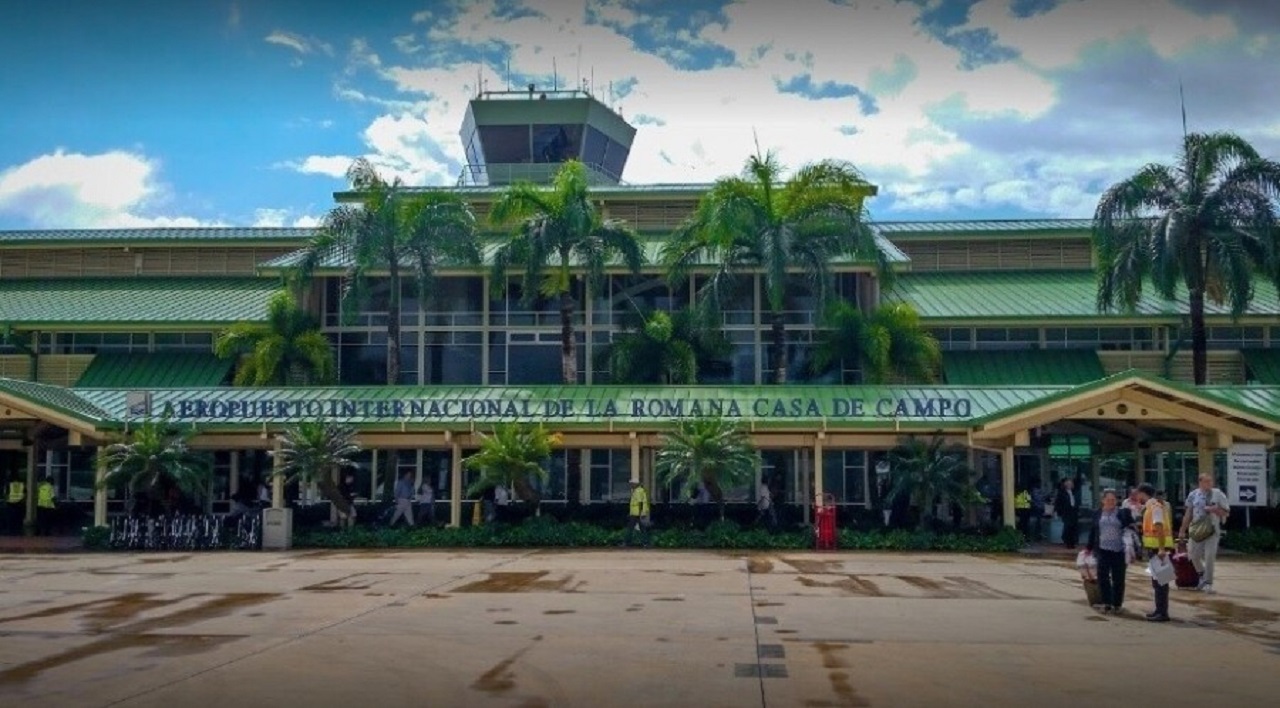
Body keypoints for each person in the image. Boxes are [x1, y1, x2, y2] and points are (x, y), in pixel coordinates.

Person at [1085, 489, 1136, 614]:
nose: (1111, 502)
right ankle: (1107, 603)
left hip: (1119, 550)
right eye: (1108, 500)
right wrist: (1088, 548)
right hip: (1102, 550)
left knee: (1118, 578)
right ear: (1103, 501)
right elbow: (1093, 532)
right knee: (1103, 578)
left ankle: (1117, 604)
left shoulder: (1123, 513)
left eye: (1113, 500)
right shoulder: (1097, 514)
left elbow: (1133, 529)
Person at [1178, 473, 1230, 594]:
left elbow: (1226, 513)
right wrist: (1182, 530)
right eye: (1206, 481)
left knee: (1209, 556)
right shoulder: (1193, 495)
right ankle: (1201, 575)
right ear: (1200, 482)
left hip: (1212, 529)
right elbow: (1188, 514)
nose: (1209, 484)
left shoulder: (1218, 494)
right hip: (1196, 529)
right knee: (1193, 555)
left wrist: (1214, 509)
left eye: (1210, 481)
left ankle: (1208, 582)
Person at [1138, 483, 1174, 622]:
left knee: (1160, 582)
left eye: (1138, 494)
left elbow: (1158, 527)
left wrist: (1161, 548)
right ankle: (1159, 610)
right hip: (1156, 549)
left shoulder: (1155, 507)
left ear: (1143, 493)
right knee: (1157, 581)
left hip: (1159, 550)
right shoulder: (1153, 506)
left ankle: (1162, 613)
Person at [623, 480, 650, 547]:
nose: (631, 485)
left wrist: (640, 513)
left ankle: (627, 542)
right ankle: (645, 543)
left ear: (636, 484)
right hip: (636, 513)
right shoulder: (639, 490)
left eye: (632, 484)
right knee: (641, 528)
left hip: (636, 513)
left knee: (630, 527)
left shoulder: (638, 491)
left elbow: (640, 502)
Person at [1056, 478, 1079, 549]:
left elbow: (1076, 501)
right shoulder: (1061, 493)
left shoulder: (1074, 492)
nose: (1070, 485)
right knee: (1068, 527)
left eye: (1071, 484)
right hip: (1066, 512)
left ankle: (1072, 542)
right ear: (1065, 485)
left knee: (1073, 527)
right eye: (1068, 484)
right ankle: (1067, 541)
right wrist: (1059, 512)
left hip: (1073, 512)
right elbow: (1058, 503)